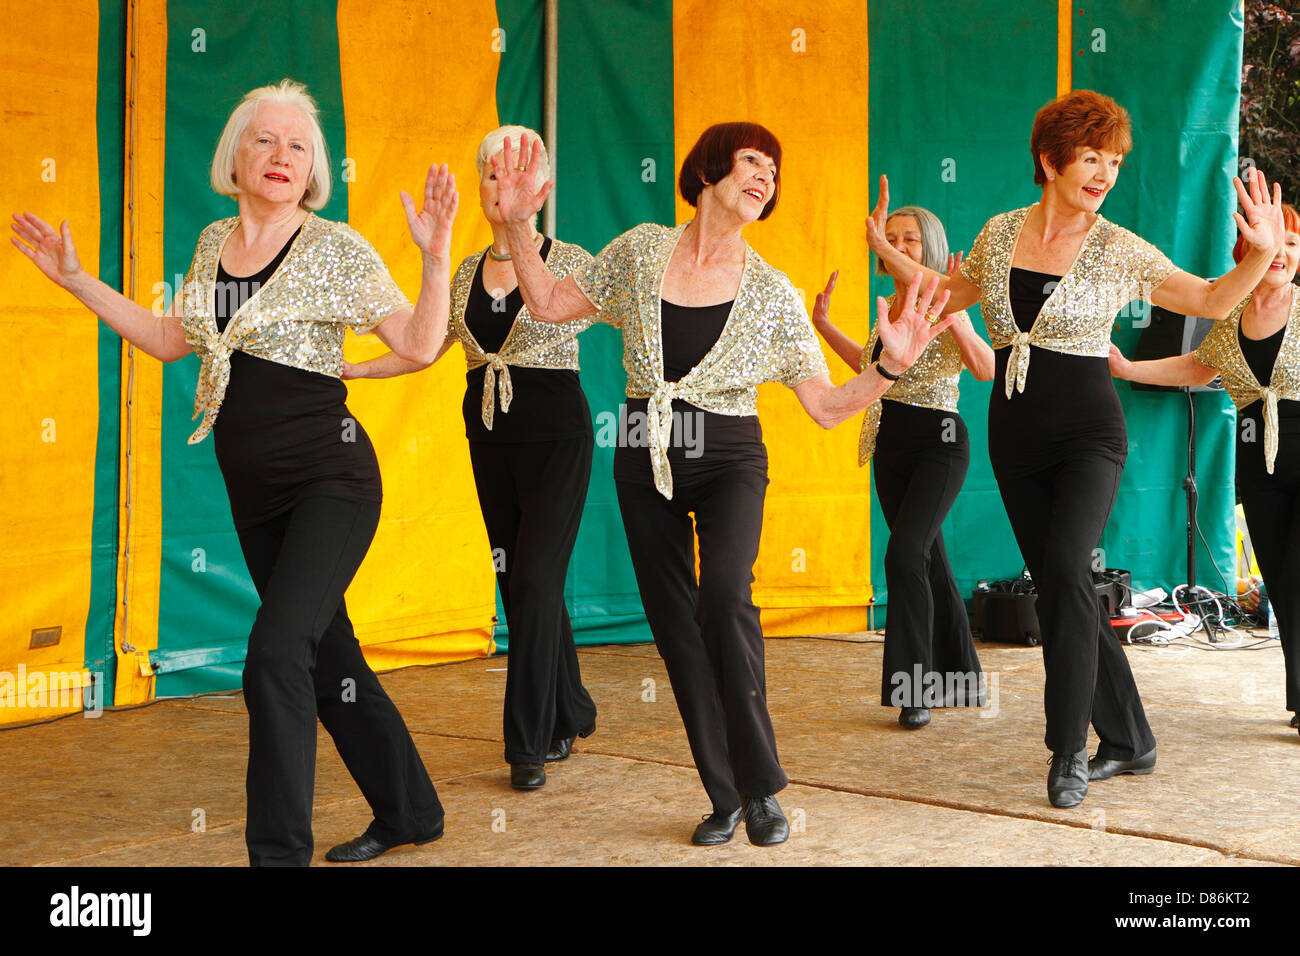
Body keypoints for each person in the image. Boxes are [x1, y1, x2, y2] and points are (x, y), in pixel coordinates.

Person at [11, 79, 456, 865]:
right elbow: (166, 338)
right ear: (236, 155)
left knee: (278, 655)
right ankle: (411, 809)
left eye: (298, 146)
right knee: (329, 659)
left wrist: (434, 257)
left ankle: (275, 856)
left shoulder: (335, 247)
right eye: (265, 140)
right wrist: (75, 280)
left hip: (333, 480)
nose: (281, 155)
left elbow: (420, 346)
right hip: (255, 496)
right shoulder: (215, 241)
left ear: (312, 168)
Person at [489, 122, 955, 846]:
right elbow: (547, 302)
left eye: (774, 169)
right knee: (676, 630)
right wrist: (519, 223)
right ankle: (724, 792)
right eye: (751, 161)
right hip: (644, 446)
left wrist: (888, 369)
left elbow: (827, 408)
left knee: (724, 603)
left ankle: (762, 787)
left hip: (731, 453)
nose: (765, 175)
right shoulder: (642, 249)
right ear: (708, 171)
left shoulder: (772, 291)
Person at [865, 89, 1286, 808]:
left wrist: (1267, 253)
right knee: (1067, 588)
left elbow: (1214, 300)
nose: (1106, 172)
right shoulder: (1001, 234)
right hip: (1015, 434)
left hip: (1090, 431)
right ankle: (1131, 739)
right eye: (1093, 156)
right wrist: (890, 256)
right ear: (1050, 159)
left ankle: (1069, 750)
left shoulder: (1119, 247)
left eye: (1116, 159)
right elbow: (951, 293)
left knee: (1064, 569)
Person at [346, 125, 599, 791]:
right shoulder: (460, 272)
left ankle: (529, 742)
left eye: (517, 175)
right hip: (489, 433)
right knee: (520, 580)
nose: (500, 186)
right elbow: (424, 347)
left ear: (541, 188)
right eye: (490, 174)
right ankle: (571, 708)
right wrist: (350, 369)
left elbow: (580, 313)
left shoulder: (567, 259)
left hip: (556, 436)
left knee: (536, 582)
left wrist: (522, 239)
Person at [1110, 203, 1300, 739]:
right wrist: (1127, 367)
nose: (1282, 253)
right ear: (1247, 253)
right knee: (1282, 590)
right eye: (1273, 243)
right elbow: (1196, 367)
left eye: (1292, 243)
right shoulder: (1231, 319)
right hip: (1259, 464)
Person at [813, 206, 994, 729]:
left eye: (909, 239)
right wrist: (825, 327)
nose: (898, 246)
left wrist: (956, 316)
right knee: (928, 561)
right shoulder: (889, 304)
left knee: (905, 553)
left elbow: (984, 369)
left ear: (930, 246)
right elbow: (873, 370)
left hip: (938, 441)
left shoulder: (946, 296)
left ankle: (917, 688)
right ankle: (963, 677)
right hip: (888, 441)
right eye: (890, 238)